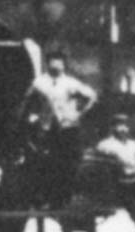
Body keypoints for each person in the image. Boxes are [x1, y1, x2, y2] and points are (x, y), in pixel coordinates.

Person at [20, 50, 97, 208]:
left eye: (59, 61)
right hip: (46, 128)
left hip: (67, 127)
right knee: (47, 162)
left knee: (67, 163)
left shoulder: (71, 83)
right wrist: (32, 118)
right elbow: (27, 102)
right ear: (47, 64)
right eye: (52, 61)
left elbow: (91, 96)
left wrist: (78, 113)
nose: (56, 64)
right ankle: (45, 199)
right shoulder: (39, 82)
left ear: (64, 65)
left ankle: (63, 199)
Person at [95, 114, 135, 228]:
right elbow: (100, 166)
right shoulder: (105, 145)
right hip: (121, 184)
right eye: (119, 125)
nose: (123, 129)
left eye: (125, 125)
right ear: (112, 128)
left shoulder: (134, 144)